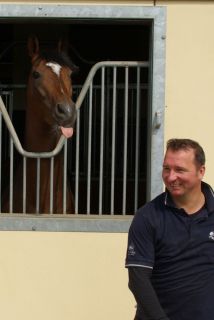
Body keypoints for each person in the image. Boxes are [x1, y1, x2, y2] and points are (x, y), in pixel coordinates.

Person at [125, 138, 214, 320]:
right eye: (167, 169)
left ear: (201, 171)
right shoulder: (147, 217)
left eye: (179, 170)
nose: (171, 177)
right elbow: (138, 281)